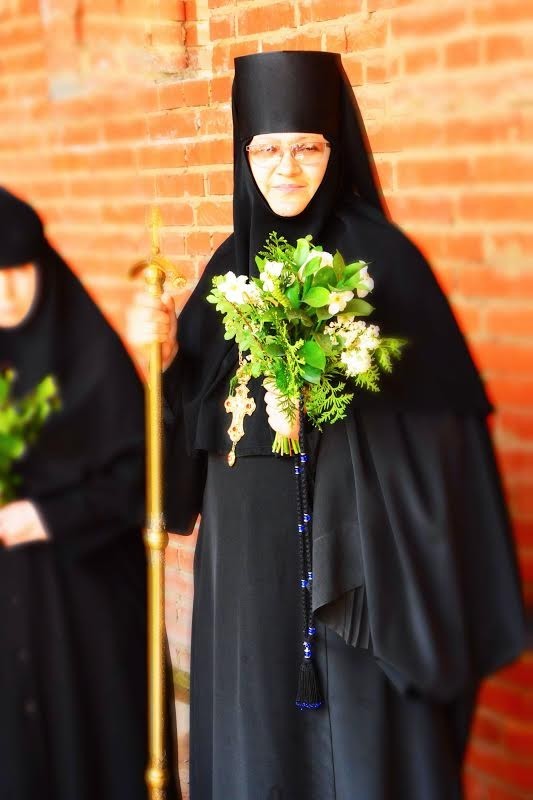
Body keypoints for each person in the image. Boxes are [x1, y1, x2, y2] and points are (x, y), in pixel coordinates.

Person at [128, 51, 524, 800]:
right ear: (244, 155)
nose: (286, 169)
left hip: (351, 575)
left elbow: (442, 448)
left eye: (307, 147)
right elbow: (182, 451)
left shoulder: (386, 263)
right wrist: (169, 362)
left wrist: (337, 411)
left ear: (335, 148)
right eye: (266, 150)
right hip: (245, 576)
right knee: (256, 749)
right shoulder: (227, 269)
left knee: (353, 758)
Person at [0, 187, 181, 800]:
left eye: (18, 271)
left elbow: (138, 480)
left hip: (89, 607)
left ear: (43, 266)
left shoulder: (89, 359)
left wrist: (43, 517)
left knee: (95, 751)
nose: (6, 293)